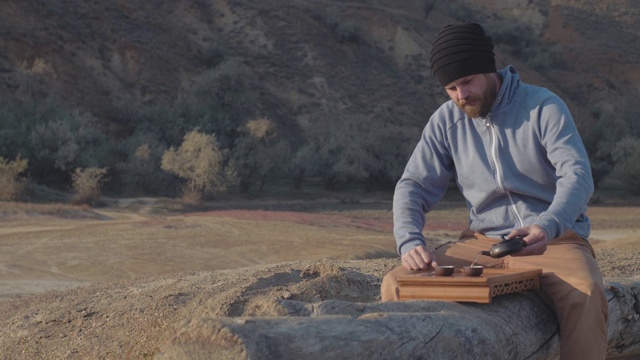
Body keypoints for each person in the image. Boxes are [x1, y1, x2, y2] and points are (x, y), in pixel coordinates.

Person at [380, 22, 608, 360]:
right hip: (482, 246)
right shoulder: (446, 121)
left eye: (467, 82)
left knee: (587, 292)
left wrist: (547, 225)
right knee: (395, 284)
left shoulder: (543, 106)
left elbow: (577, 175)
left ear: (489, 69)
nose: (461, 96)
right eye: (451, 88)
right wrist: (409, 239)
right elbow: (413, 184)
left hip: (554, 241)